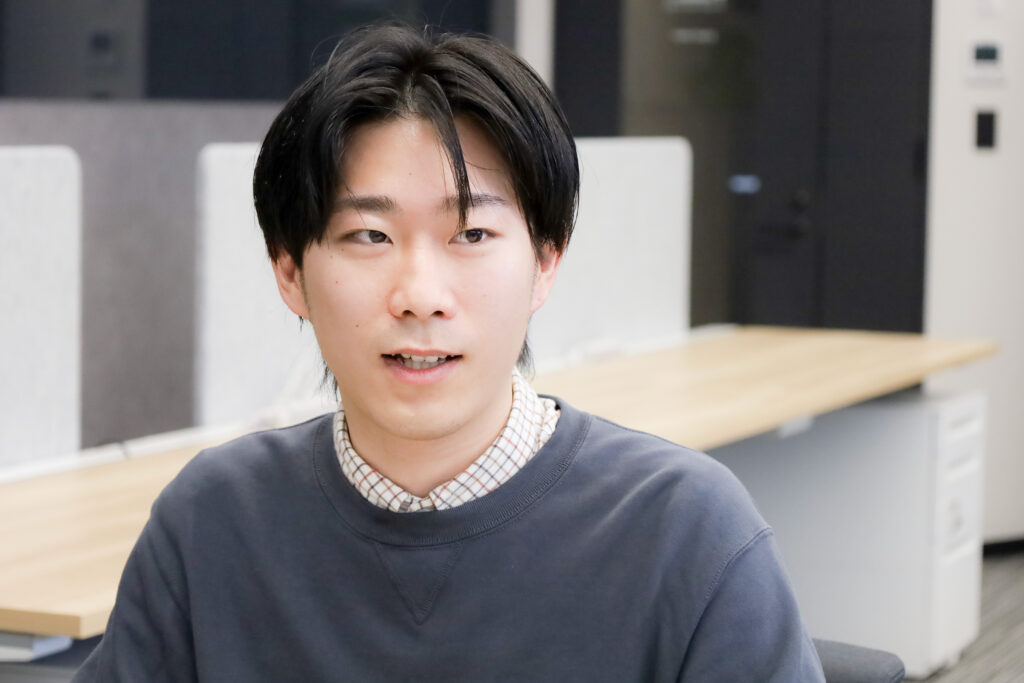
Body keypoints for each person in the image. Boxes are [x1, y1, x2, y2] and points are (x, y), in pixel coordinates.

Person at [75, 23, 825, 682]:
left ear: (546, 261)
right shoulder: (212, 521)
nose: (420, 296)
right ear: (290, 273)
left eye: (471, 233)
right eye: (369, 235)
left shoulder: (685, 530)